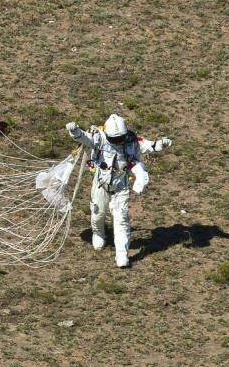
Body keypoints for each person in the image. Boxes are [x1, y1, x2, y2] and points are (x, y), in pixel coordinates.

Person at [66, 114, 172, 267]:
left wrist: (161, 144)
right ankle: (98, 234)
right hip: (101, 184)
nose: (117, 142)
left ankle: (122, 255)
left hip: (120, 188)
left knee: (121, 220)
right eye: (113, 139)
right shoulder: (100, 137)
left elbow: (150, 146)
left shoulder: (132, 142)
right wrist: (75, 131)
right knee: (97, 213)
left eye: (119, 138)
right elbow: (85, 138)